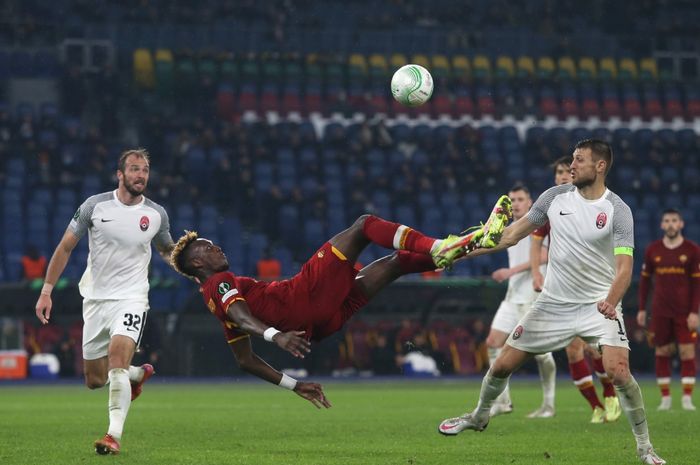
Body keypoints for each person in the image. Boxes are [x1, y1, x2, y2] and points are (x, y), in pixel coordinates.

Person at [438, 140, 666, 465]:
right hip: (552, 305)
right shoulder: (552, 198)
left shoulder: (618, 210)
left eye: (579, 160)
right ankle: (479, 416)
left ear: (600, 166)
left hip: (598, 305)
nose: (571, 166)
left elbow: (625, 269)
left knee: (618, 372)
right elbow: (510, 235)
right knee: (501, 364)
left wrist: (611, 302)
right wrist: (461, 251)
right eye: (572, 159)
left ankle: (645, 449)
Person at [169, 201, 511, 407]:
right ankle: (440, 246)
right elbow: (242, 317)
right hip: (304, 298)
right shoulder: (219, 283)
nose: (217, 249)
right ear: (197, 264)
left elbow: (244, 360)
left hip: (322, 324)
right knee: (364, 226)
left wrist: (294, 384)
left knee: (395, 263)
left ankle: (470, 244)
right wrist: (277, 336)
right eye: (207, 249)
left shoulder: (212, 300)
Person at [34, 149, 174, 455]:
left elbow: (167, 250)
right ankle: (138, 375)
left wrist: (193, 270)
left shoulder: (156, 214)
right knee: (95, 380)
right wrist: (46, 291)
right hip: (96, 299)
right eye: (135, 169)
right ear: (120, 175)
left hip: (132, 298)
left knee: (116, 362)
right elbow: (65, 247)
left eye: (145, 170)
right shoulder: (94, 206)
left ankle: (113, 436)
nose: (141, 175)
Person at [530, 156, 621, 423]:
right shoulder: (552, 206)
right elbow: (536, 242)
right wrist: (537, 272)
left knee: (595, 350)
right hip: (564, 288)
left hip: (593, 285)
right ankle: (596, 406)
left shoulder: (597, 204)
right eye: (557, 173)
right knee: (572, 349)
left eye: (565, 172)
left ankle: (611, 395)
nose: (561, 176)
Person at [484, 184, 556, 418]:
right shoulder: (509, 226)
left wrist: (510, 271)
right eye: (512, 199)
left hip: (533, 296)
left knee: (541, 353)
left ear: (530, 201)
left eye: (520, 199)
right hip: (512, 297)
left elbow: (545, 255)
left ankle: (548, 404)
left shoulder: (537, 224)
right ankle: (503, 402)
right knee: (493, 342)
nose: (515, 203)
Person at [637, 208, 700, 411]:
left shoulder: (692, 250)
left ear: (681, 224)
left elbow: (697, 285)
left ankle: (686, 399)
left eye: (674, 220)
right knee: (662, 350)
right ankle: (665, 399)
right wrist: (641, 309)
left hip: (684, 312)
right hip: (660, 310)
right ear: (662, 225)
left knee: (687, 350)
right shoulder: (653, 250)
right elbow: (645, 283)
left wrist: (695, 312)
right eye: (667, 221)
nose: (671, 224)